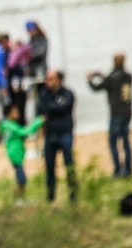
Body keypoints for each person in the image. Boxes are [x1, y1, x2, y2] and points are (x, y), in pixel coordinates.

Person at [87, 53, 132, 177]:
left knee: (113, 142)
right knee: (126, 141)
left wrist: (89, 79)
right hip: (127, 112)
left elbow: (96, 87)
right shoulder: (128, 76)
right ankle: (128, 169)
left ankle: (118, 169)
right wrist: (105, 76)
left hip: (116, 113)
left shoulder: (112, 78)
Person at [36, 70, 77, 203]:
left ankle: (73, 194)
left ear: (59, 80)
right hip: (50, 136)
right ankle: (51, 195)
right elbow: (40, 110)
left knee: (69, 164)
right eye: (47, 79)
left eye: (51, 79)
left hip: (65, 133)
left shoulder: (68, 94)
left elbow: (64, 107)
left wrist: (50, 110)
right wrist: (54, 109)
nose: (48, 82)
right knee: (49, 167)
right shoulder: (43, 95)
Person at [0, 104, 45, 202]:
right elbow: (25, 132)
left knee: (20, 177)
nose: (17, 113)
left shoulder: (8, 125)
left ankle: (21, 199)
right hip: (15, 155)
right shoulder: (10, 126)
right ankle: (18, 199)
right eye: (15, 111)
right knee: (21, 178)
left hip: (17, 154)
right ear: (9, 114)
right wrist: (39, 121)